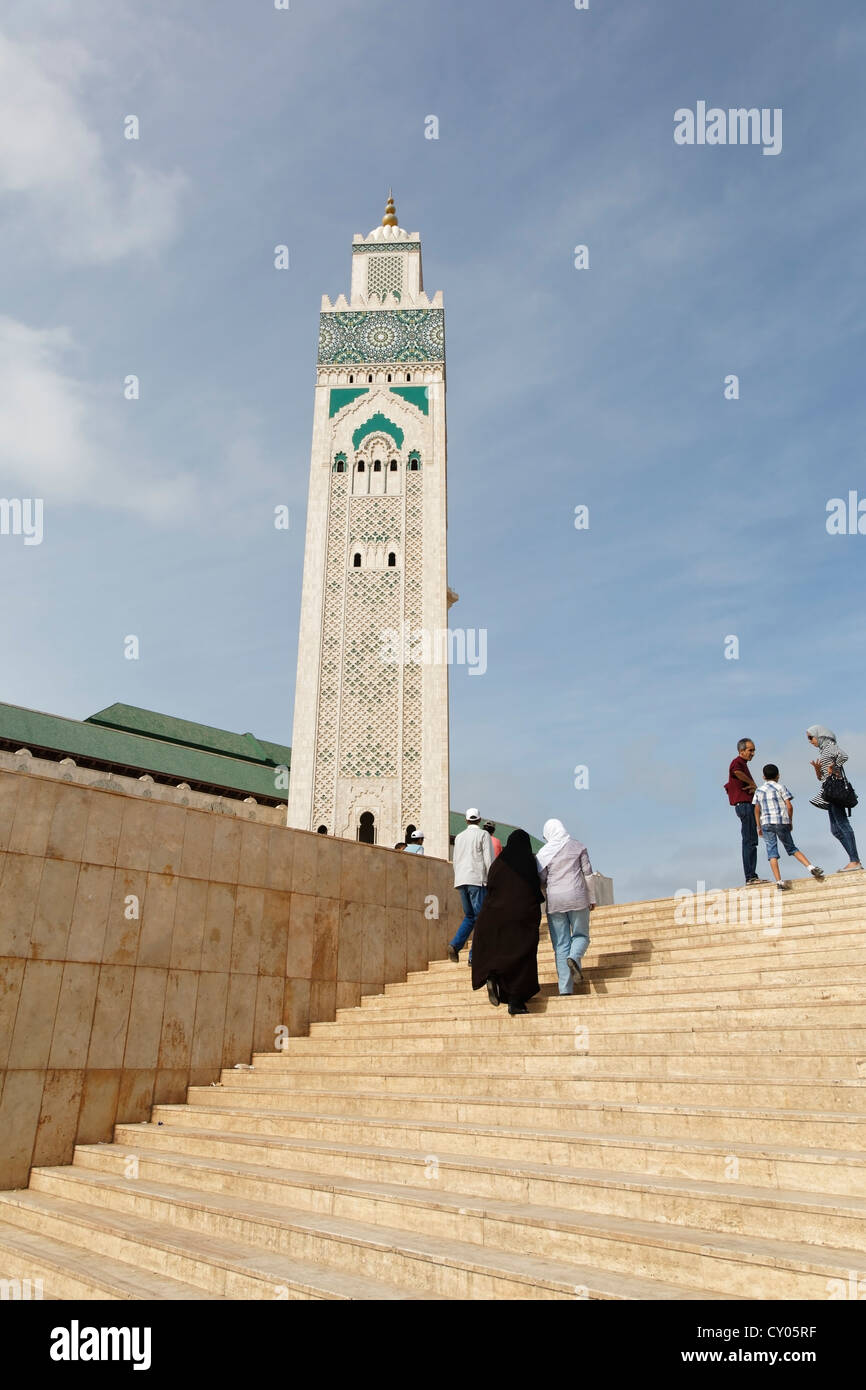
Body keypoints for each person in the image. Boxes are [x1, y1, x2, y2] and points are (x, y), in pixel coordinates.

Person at [471, 829, 542, 1016]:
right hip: (520, 916)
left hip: (494, 915)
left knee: (501, 951)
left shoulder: (498, 863)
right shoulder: (528, 861)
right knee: (522, 954)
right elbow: (534, 890)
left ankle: (493, 975)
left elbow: (490, 887)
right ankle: (516, 1001)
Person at [536, 818, 596, 993]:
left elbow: (542, 879)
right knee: (581, 936)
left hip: (555, 901)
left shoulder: (544, 853)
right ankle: (575, 958)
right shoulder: (578, 847)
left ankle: (565, 990)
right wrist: (592, 898)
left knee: (560, 945)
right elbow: (588, 874)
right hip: (577, 898)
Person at [752, 763, 824, 891]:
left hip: (766, 823)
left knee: (772, 852)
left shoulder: (759, 790)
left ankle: (779, 881)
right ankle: (811, 867)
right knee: (791, 848)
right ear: (778, 775)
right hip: (781, 821)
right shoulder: (780, 787)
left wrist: (758, 826)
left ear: (763, 777)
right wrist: (790, 821)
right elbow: (789, 806)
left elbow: (756, 809)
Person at [807, 726, 863, 871]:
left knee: (843, 824)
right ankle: (854, 859)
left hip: (835, 791)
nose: (810, 741)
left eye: (810, 737)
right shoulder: (823, 751)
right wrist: (818, 769)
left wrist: (834, 766)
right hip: (828, 791)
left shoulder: (830, 746)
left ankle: (855, 861)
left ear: (819, 735)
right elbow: (822, 778)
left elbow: (844, 756)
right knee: (835, 830)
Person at [447, 809, 494, 961]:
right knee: (482, 918)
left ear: (466, 820)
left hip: (461, 880)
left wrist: (458, 878)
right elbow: (489, 860)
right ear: (479, 820)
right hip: (477, 879)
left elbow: (456, 860)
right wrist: (492, 880)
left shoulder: (459, 837)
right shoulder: (483, 834)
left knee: (470, 916)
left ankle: (455, 945)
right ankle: (474, 955)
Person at [724, 738, 766, 885]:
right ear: (741, 751)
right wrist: (751, 783)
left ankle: (751, 875)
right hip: (744, 806)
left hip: (748, 806)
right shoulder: (737, 762)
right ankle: (750, 876)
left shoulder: (743, 764)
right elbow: (736, 772)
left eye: (753, 750)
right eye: (750, 750)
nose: (753, 753)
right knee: (749, 841)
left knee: (751, 840)